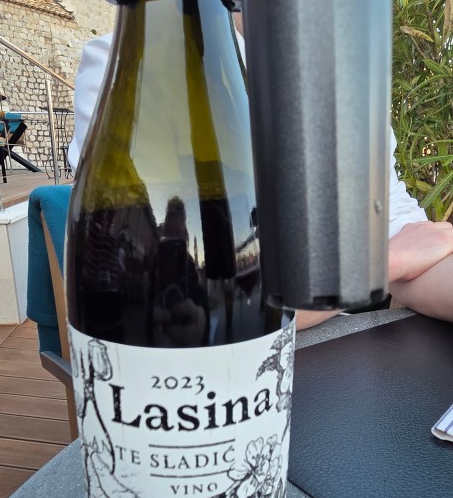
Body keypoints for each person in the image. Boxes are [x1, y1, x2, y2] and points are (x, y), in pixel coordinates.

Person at [68, 30, 453, 327]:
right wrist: (380, 265)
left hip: (346, 359)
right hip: (206, 377)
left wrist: (398, 258)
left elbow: (406, 234)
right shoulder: (131, 65)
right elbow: (181, 300)